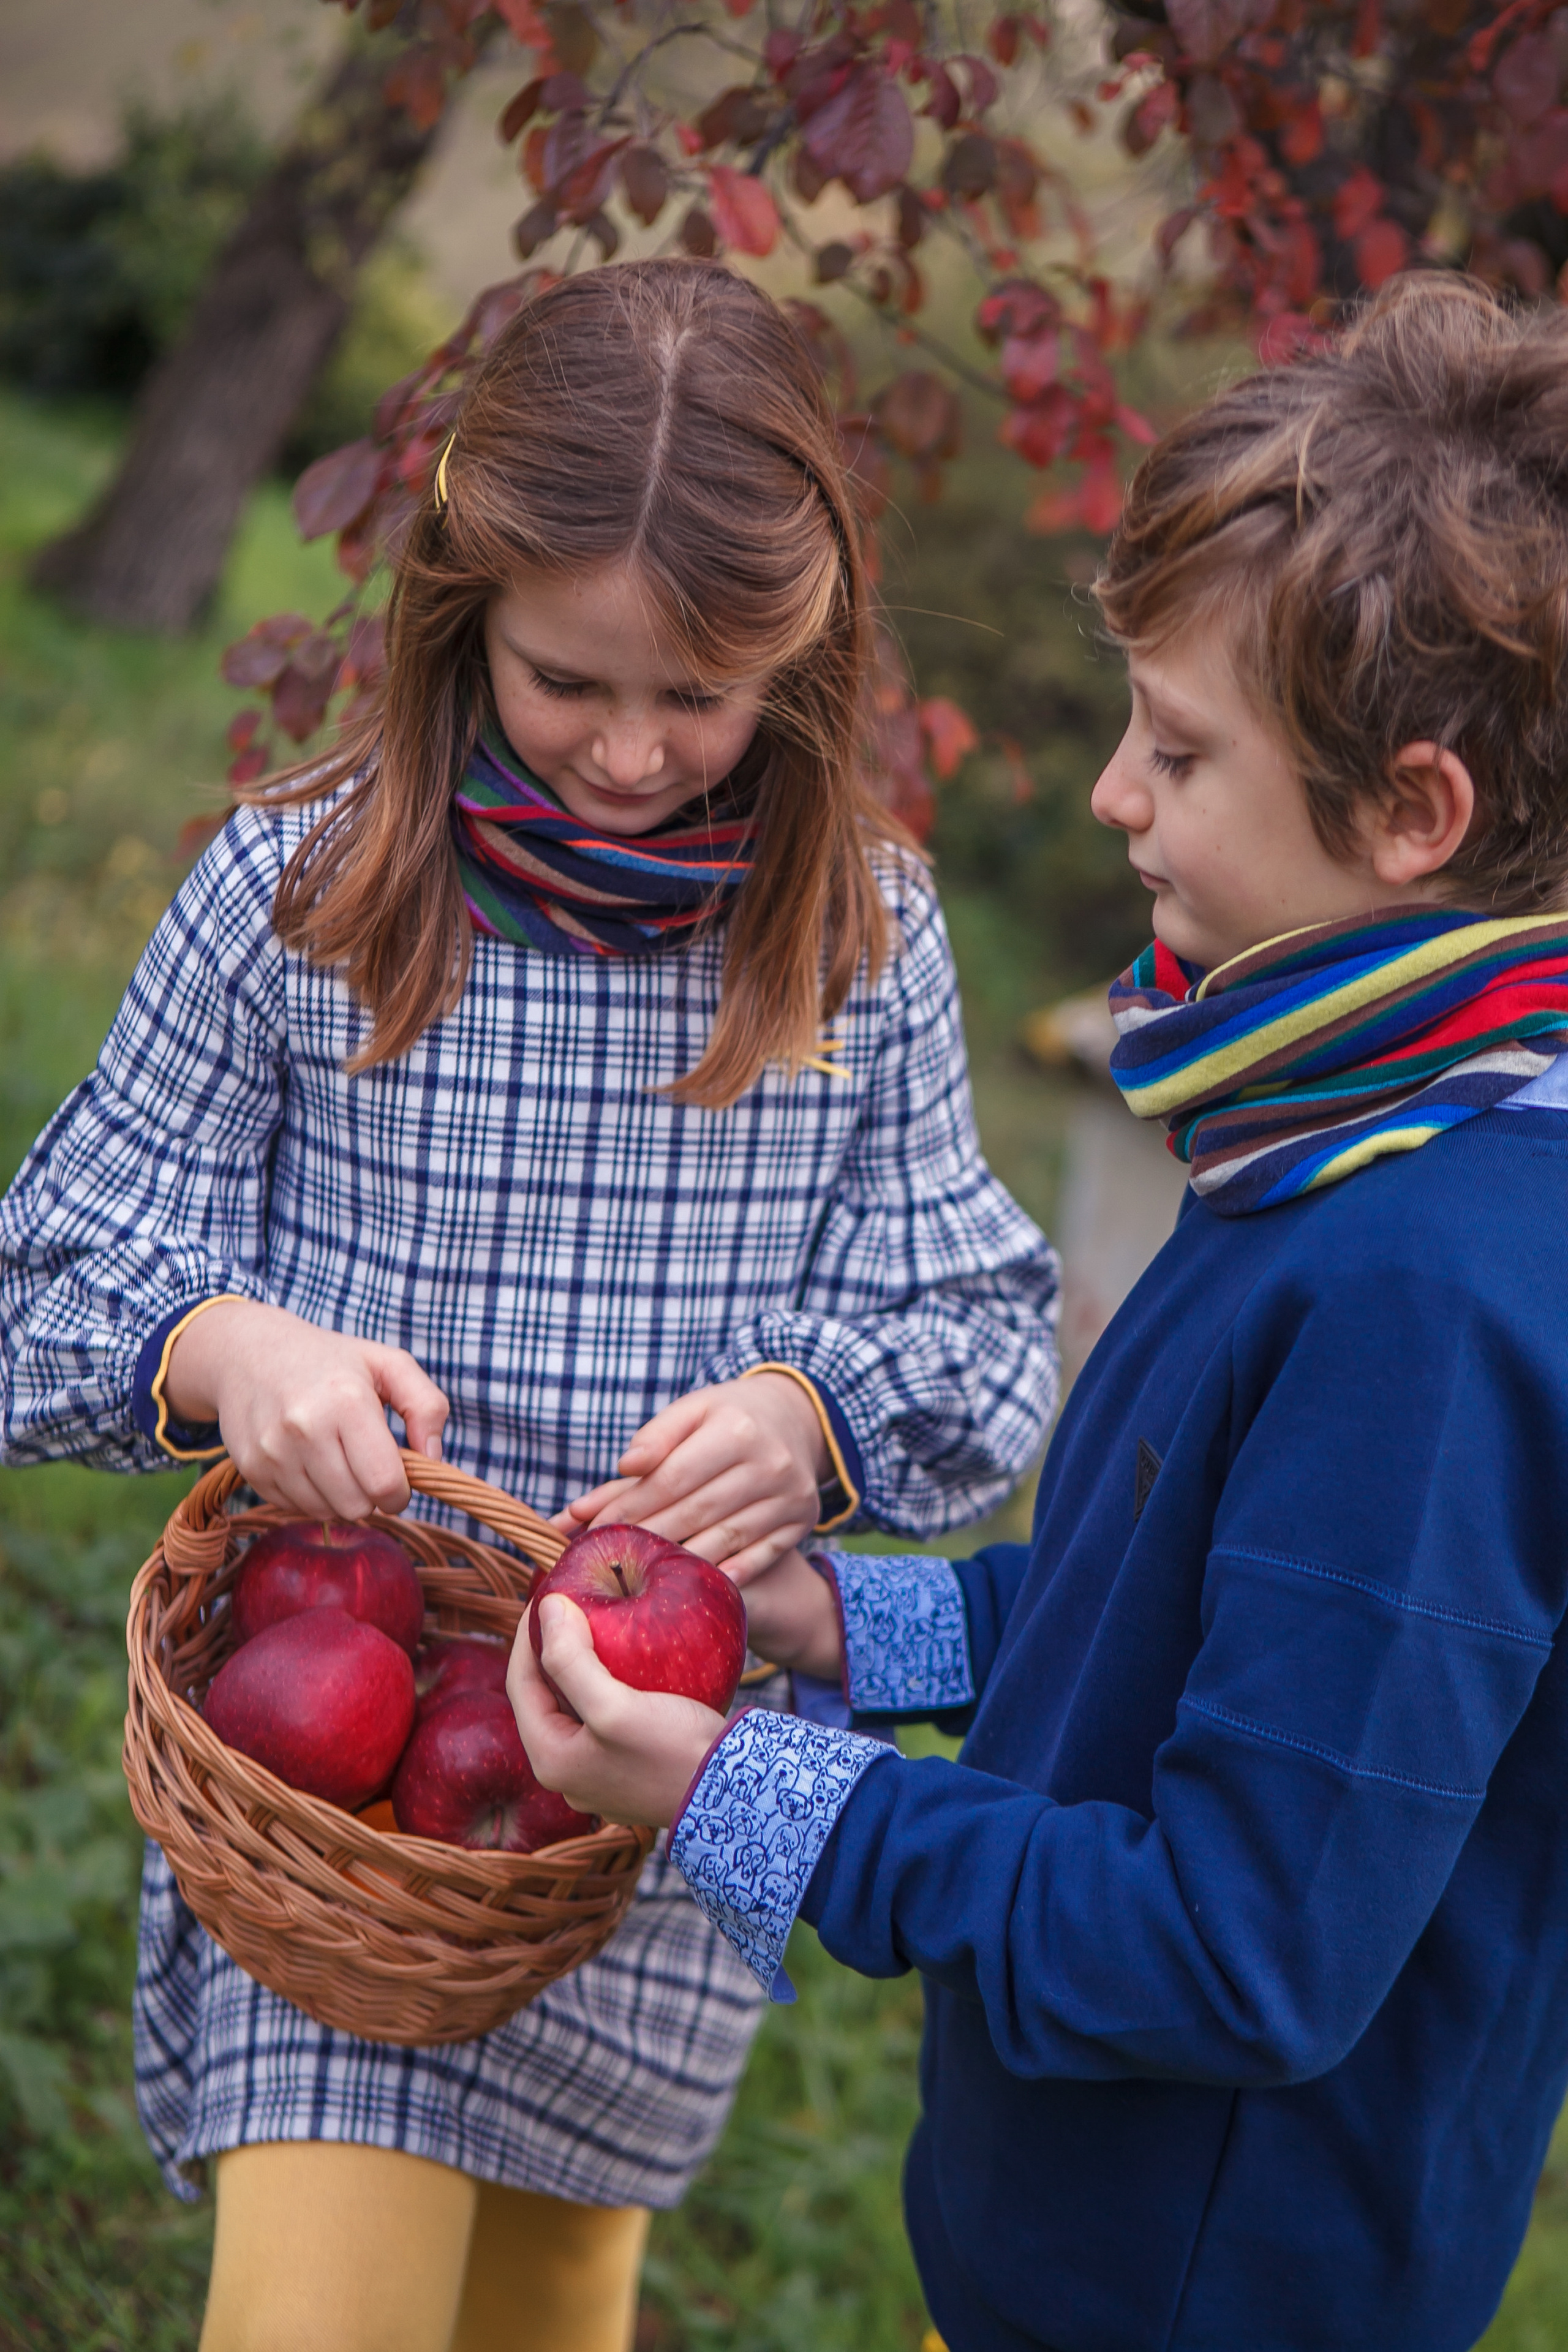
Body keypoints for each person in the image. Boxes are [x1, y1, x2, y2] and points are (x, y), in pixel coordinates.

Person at [0, 260, 1058, 2351]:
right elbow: (39, 1291)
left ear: (807, 658)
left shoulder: (861, 939)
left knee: (553, 2300)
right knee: (316, 2317)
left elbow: (993, 1340)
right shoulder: (303, 891)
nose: (640, 753)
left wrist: (814, 1412)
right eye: (574, 681)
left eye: (707, 694)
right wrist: (230, 1351)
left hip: (657, 1801)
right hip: (336, 1767)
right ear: (459, 604)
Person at [511, 273, 1568, 2352]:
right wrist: (854, 1628)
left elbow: (1236, 1948)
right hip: (1074, 2266)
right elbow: (1181, 1622)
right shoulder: (1341, 1134)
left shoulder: (1429, 1297)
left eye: (1178, 748)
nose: (1109, 791)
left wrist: (749, 1798)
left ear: (1412, 815)